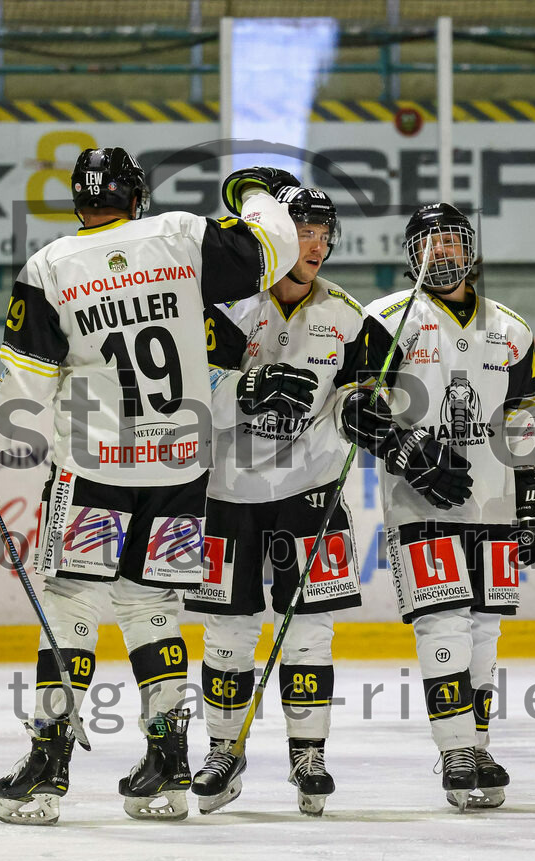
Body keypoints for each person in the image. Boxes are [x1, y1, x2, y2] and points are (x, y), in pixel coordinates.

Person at [0, 147, 300, 825]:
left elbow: (24, 391)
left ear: (79, 202)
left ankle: (48, 766)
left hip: (96, 468)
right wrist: (256, 192)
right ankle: (167, 763)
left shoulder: (48, 268)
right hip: (180, 468)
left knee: (71, 600)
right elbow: (275, 244)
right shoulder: (180, 237)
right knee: (152, 603)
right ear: (136, 195)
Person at [341, 202, 535, 811]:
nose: (441, 252)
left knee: (485, 628)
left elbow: (522, 421)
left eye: (451, 242)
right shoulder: (386, 319)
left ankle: (478, 744)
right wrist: (411, 451)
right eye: (428, 243)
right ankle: (456, 750)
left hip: (491, 499)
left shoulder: (513, 329)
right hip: (419, 499)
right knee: (442, 621)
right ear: (412, 255)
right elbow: (354, 407)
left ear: (470, 251)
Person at [184, 186, 389, 817]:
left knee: (309, 633)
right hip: (227, 491)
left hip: (311, 492)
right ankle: (224, 749)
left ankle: (309, 753)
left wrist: (369, 408)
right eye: (304, 231)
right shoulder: (221, 309)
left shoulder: (352, 319)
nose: (317, 245)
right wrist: (246, 389)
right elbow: (186, 392)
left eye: (325, 233)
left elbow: (383, 389)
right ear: (276, 238)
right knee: (226, 634)